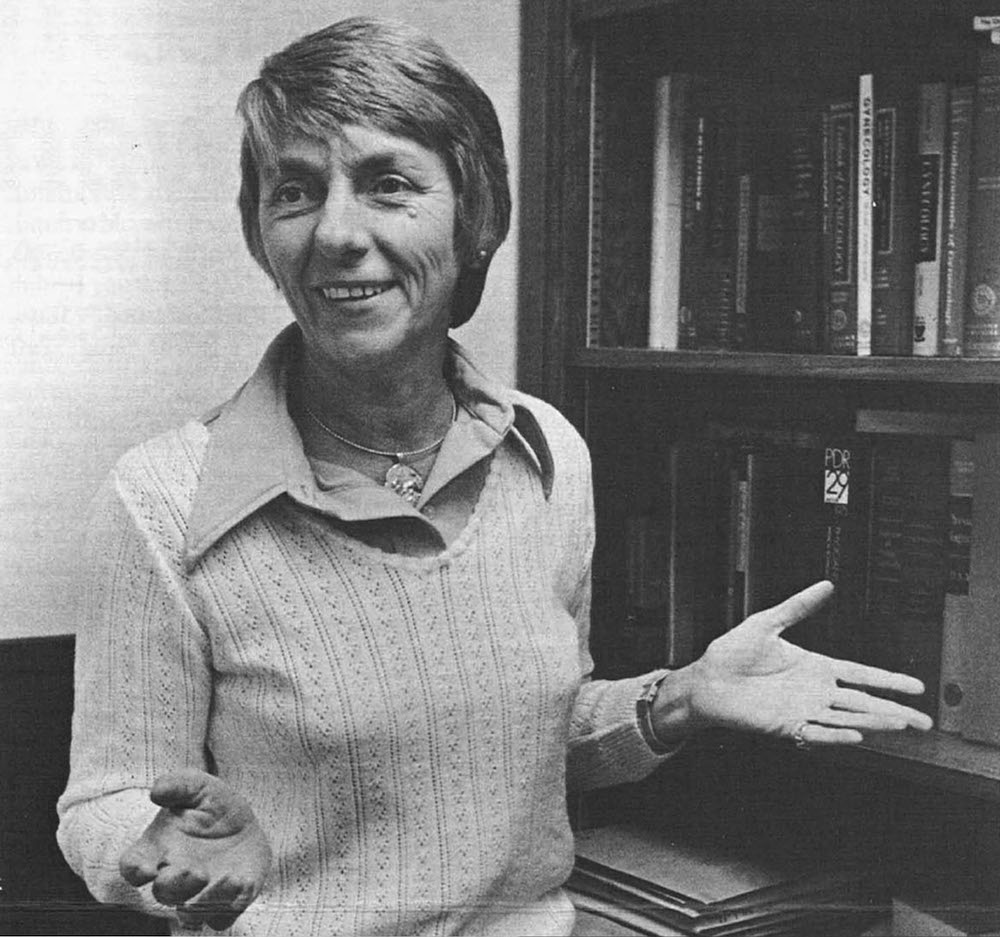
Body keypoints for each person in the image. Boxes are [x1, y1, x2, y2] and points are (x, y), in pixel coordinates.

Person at [56, 16, 932, 936]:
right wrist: (158, 851)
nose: (337, 233)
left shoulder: (548, 452)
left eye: (388, 183)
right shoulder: (159, 500)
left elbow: (521, 747)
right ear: (260, 234)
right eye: (295, 193)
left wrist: (680, 700)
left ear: (474, 217)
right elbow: (102, 803)